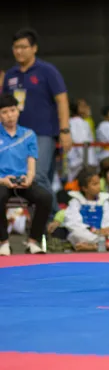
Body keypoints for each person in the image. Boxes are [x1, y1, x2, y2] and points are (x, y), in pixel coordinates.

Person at [3, 28, 72, 208]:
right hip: (17, 136)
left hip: (43, 133)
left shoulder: (47, 71)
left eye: (24, 47)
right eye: (16, 47)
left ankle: (53, 220)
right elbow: (4, 105)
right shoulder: (10, 75)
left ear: (34, 48)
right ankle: (45, 227)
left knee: (38, 176)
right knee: (37, 180)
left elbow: (62, 100)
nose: (19, 51)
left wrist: (65, 130)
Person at [0, 93, 52, 255]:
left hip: (23, 181)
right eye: (4, 112)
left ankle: (33, 241)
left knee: (45, 197)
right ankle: (3, 242)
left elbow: (31, 162)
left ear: (18, 111)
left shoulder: (28, 135)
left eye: (12, 110)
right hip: (3, 181)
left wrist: (29, 178)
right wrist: (2, 180)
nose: (9, 115)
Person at [64, 167, 109, 251]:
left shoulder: (103, 201)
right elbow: (72, 222)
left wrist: (108, 229)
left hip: (102, 235)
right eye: (94, 184)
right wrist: (93, 230)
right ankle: (105, 245)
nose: (99, 187)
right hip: (88, 234)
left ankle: (93, 247)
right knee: (76, 234)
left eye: (99, 183)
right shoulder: (76, 202)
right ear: (84, 188)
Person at [67, 101, 97, 182]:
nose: (87, 107)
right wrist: (87, 163)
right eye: (83, 106)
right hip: (82, 163)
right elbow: (81, 143)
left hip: (82, 162)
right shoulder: (77, 122)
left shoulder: (81, 121)